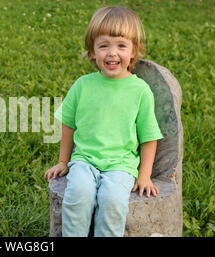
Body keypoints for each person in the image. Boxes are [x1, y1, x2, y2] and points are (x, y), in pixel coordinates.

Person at [44, 6, 163, 237]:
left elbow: (149, 137)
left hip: (120, 165)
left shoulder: (140, 91)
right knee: (78, 195)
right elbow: (68, 123)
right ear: (92, 51)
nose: (112, 53)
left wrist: (145, 175)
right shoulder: (83, 86)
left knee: (112, 202)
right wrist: (63, 161)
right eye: (103, 45)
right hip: (85, 161)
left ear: (134, 50)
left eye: (121, 45)